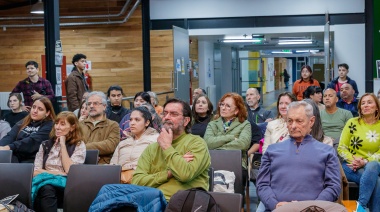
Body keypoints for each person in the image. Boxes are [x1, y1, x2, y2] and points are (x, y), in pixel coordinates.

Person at [257, 101, 341, 211]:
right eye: (290, 121)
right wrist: (275, 205)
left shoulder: (326, 151)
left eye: (299, 121)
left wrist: (312, 208)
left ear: (311, 121)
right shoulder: (272, 150)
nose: (293, 126)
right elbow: (262, 185)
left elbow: (333, 186)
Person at [132, 98, 210, 201]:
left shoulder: (197, 143)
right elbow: (136, 182)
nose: (167, 117)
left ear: (186, 121)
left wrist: (167, 147)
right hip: (150, 199)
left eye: (173, 114)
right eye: (165, 113)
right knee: (108, 189)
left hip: (180, 203)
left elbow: (184, 174)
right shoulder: (152, 148)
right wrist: (169, 173)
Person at [33, 111, 86, 212]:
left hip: (66, 185)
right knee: (45, 188)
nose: (57, 127)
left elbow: (70, 171)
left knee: (47, 188)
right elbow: (35, 171)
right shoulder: (46, 145)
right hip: (43, 183)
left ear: (72, 127)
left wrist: (62, 144)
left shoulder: (79, 145)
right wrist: (58, 173)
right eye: (56, 123)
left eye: (62, 124)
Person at [338, 93, 380, 212]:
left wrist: (365, 161)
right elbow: (341, 147)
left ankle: (360, 206)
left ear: (377, 107)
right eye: (363, 103)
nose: (365, 105)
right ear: (360, 107)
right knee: (377, 181)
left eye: (369, 102)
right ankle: (362, 207)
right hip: (350, 165)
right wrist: (355, 161)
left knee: (373, 166)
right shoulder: (352, 122)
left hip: (373, 165)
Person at [110, 107, 159, 184]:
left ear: (147, 122)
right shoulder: (123, 143)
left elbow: (156, 166)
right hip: (119, 180)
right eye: (130, 120)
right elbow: (113, 165)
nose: (132, 123)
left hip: (142, 180)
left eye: (137, 120)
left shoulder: (156, 139)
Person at [204, 92, 251, 170]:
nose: (223, 108)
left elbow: (243, 144)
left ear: (236, 110)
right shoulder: (212, 124)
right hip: (213, 161)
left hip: (235, 162)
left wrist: (216, 149)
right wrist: (231, 137)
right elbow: (208, 143)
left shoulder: (245, 124)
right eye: (222, 104)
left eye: (228, 106)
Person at [0, 97, 55, 163]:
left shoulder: (49, 125)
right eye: (34, 107)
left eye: (40, 109)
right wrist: (1, 146)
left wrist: (9, 147)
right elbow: (10, 136)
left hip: (32, 159)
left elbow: (32, 141)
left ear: (47, 113)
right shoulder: (24, 121)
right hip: (16, 156)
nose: (35, 111)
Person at [80, 91, 120, 164]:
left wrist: (83, 148)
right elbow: (73, 144)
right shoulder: (79, 125)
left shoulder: (113, 125)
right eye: (89, 104)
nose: (91, 106)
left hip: (102, 165)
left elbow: (110, 145)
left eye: (95, 103)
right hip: (80, 163)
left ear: (104, 106)